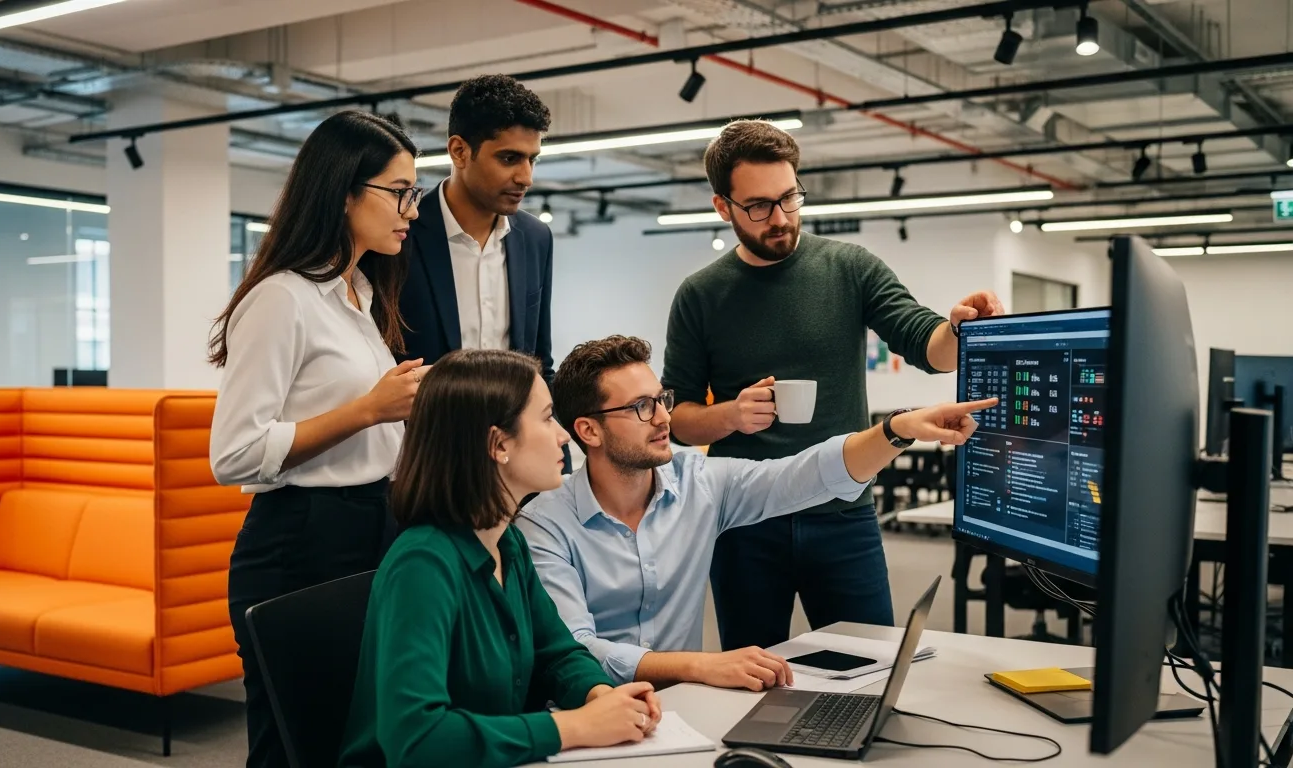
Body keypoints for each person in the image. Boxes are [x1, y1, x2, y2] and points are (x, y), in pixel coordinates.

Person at [662, 119, 1007, 652]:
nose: (780, 219)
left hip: (844, 515)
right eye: (758, 206)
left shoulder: (849, 269)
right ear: (722, 207)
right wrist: (730, 415)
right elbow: (677, 421)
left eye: (789, 198)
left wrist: (957, 329)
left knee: (870, 665)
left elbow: (927, 344)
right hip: (745, 525)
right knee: (750, 675)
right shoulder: (700, 295)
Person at [517, 336, 994, 689]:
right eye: (642, 407)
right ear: (589, 431)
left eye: (660, 400)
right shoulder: (545, 523)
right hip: (591, 715)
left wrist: (896, 430)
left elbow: (802, 475)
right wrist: (698, 664)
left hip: (688, 706)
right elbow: (575, 648)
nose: (665, 418)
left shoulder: (697, 482)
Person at [209, 110, 429, 768]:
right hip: (302, 537)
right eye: (400, 193)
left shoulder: (359, 291)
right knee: (295, 743)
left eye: (414, 195)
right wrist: (369, 409)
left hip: (371, 523)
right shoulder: (283, 298)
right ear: (343, 191)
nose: (411, 212)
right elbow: (234, 453)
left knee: (353, 736)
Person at [340, 349, 663, 768]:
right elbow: (417, 740)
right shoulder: (422, 565)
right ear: (499, 444)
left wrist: (601, 696)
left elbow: (557, 654)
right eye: (547, 418)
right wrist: (576, 727)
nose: (563, 436)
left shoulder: (507, 542)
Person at [398, 74, 555, 378]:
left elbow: (539, 362)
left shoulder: (536, 239)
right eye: (509, 158)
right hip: (421, 424)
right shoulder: (401, 233)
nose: (526, 177)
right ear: (459, 151)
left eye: (532, 160)